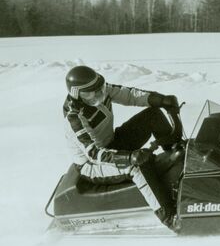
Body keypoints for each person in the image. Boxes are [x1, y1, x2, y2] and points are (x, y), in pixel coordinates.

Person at [63, 65, 182, 228]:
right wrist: (128, 157)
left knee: (152, 114)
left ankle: (179, 155)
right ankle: (170, 219)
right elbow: (93, 153)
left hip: (112, 144)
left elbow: (130, 95)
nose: (97, 94)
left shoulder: (100, 92)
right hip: (93, 164)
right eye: (89, 92)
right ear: (76, 94)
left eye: (98, 89)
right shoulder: (74, 117)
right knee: (136, 166)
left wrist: (161, 100)